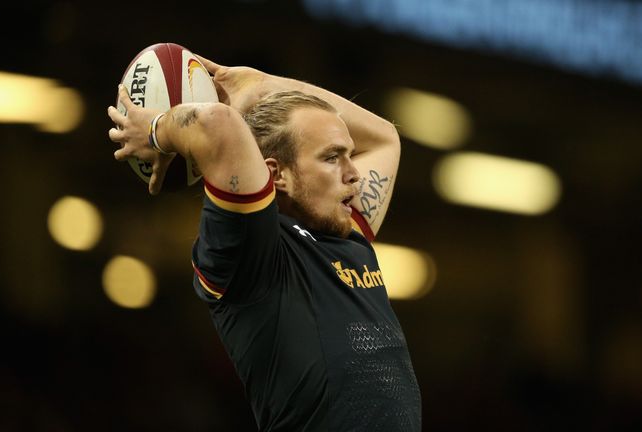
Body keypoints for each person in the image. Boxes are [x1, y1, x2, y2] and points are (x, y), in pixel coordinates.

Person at [107, 56, 421, 431]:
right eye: (332, 157)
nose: (354, 175)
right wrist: (158, 130)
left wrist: (262, 86)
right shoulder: (252, 251)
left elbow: (385, 136)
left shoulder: (344, 235)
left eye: (349, 156)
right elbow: (217, 124)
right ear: (277, 174)